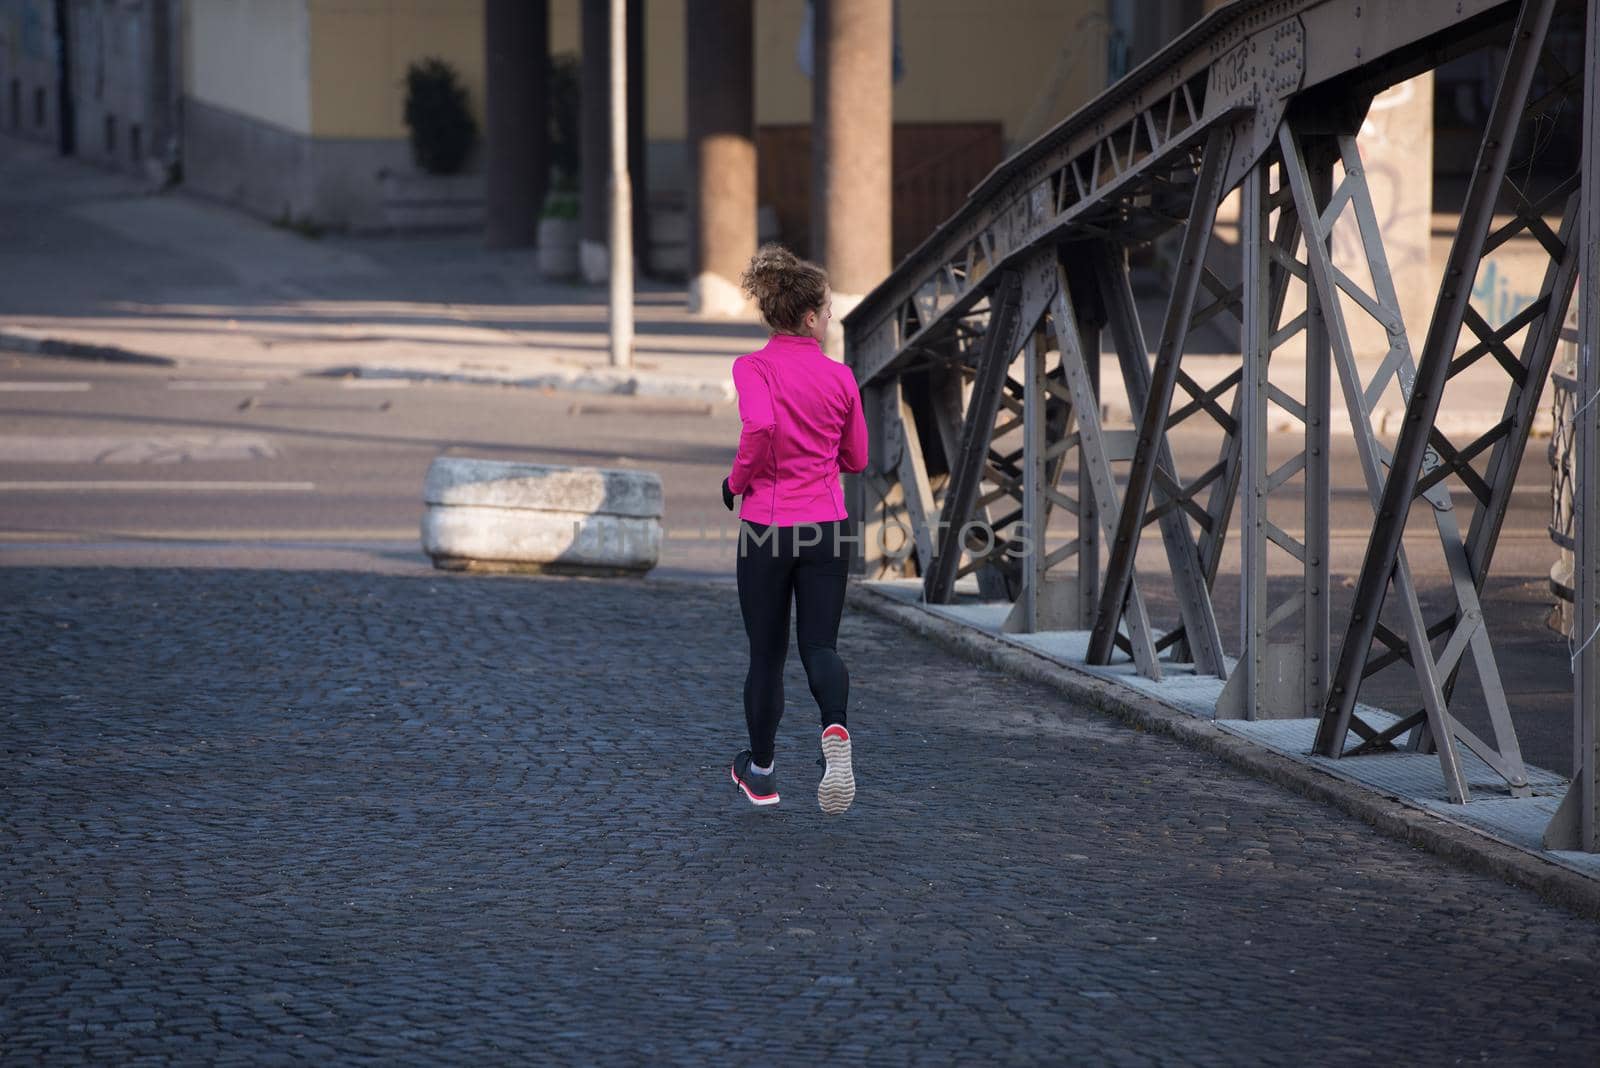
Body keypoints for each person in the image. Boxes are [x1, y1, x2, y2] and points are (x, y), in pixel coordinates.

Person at [722, 244, 868, 815]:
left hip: (766, 527)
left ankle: (760, 773)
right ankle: (835, 731)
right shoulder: (840, 376)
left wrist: (736, 481)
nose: (830, 318)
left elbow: (758, 424)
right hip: (827, 525)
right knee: (820, 646)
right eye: (828, 310)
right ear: (808, 317)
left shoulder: (751, 367)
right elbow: (856, 459)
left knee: (766, 655)